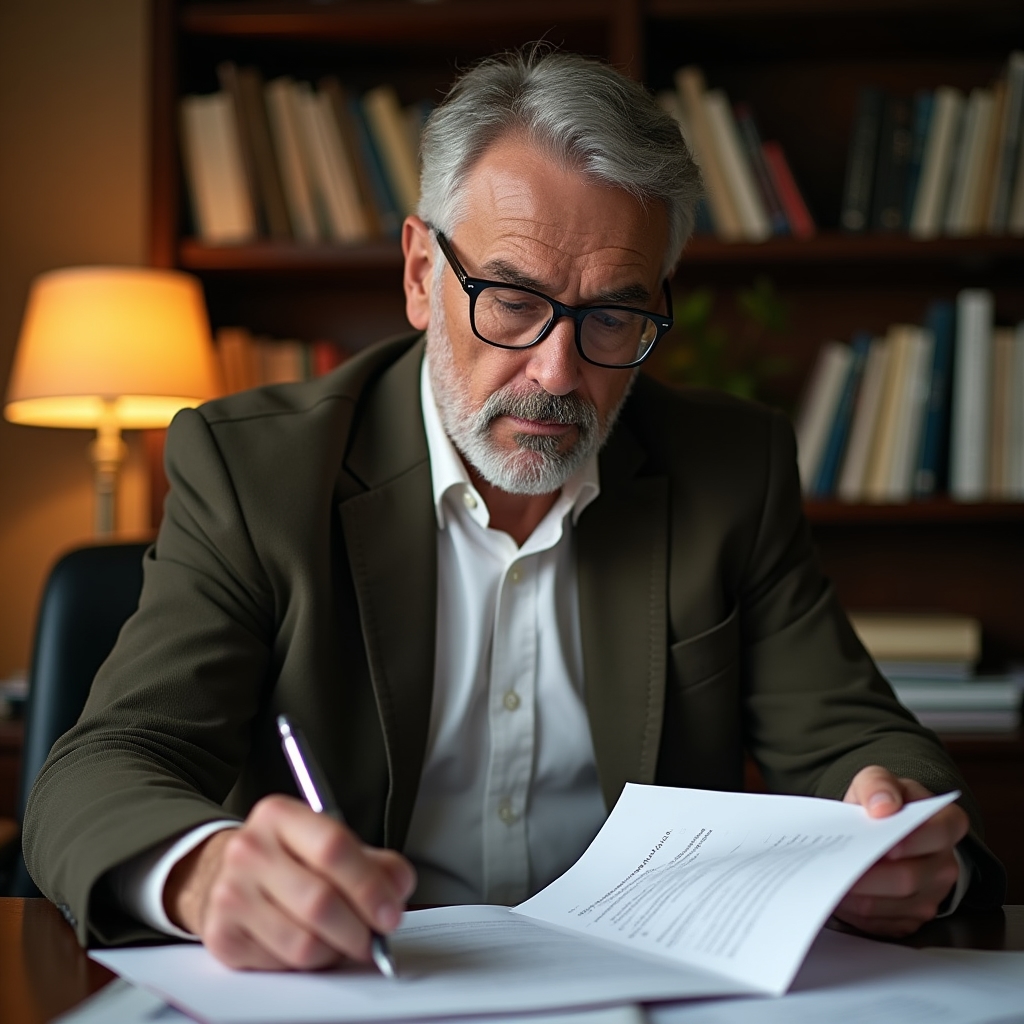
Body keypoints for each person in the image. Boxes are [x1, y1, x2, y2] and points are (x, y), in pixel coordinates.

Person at [24, 49, 1004, 969]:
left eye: (612, 314)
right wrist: (202, 875)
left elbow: (853, 740)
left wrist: (899, 833)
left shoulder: (726, 468)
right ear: (420, 275)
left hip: (644, 989)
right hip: (362, 987)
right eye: (510, 298)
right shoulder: (256, 470)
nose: (555, 370)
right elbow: (104, 767)